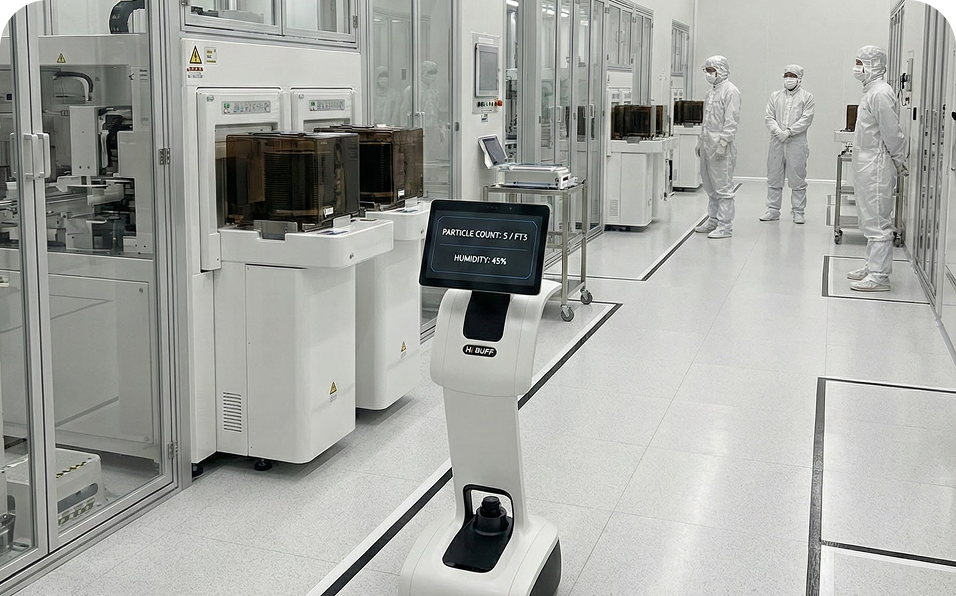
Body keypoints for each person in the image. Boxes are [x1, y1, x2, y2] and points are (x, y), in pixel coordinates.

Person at [847, 45, 907, 292]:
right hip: (867, 164)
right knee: (868, 217)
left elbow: (891, 131)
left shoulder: (881, 93)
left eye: (860, 63)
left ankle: (880, 276)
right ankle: (872, 266)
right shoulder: (871, 91)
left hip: (877, 165)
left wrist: (899, 158)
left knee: (878, 220)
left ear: (874, 65)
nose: (856, 68)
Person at [695, 56, 741, 239]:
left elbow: (731, 120)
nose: (708, 74)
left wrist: (723, 142)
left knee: (723, 187)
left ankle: (725, 226)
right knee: (710, 186)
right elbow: (706, 121)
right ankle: (713, 220)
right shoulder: (711, 93)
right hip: (707, 143)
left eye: (711, 70)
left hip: (722, 146)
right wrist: (701, 141)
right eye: (706, 70)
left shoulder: (731, 91)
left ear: (721, 70)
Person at [762, 64, 815, 224]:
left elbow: (806, 119)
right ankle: (773, 210)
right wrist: (778, 132)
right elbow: (769, 117)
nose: (789, 79)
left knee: (797, 177)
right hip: (777, 141)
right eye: (786, 75)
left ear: (799, 78)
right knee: (774, 176)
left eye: (792, 76)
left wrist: (789, 131)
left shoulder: (807, 97)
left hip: (796, 142)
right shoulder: (775, 96)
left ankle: (798, 211)